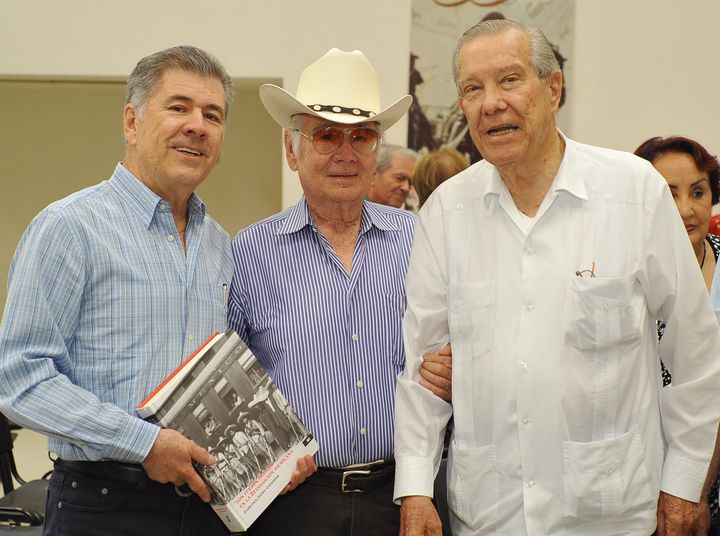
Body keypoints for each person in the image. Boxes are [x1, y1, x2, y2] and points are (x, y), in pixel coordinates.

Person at [393, 19, 720, 536]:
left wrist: (683, 484)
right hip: (488, 514)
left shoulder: (633, 193)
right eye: (473, 89)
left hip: (610, 514)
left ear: (553, 88)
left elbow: (695, 353)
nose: (491, 103)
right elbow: (423, 371)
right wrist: (415, 489)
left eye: (510, 79)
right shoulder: (446, 213)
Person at [0, 45, 312, 536]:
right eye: (178, 107)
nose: (197, 126)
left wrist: (275, 457)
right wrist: (143, 443)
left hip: (207, 507)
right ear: (132, 122)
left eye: (213, 115)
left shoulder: (220, 245)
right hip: (104, 505)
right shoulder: (70, 228)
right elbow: (20, 379)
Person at [227, 47, 447, 535]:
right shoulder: (248, 253)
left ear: (376, 150)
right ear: (291, 151)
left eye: (361, 136)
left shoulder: (420, 241)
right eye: (326, 135)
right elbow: (227, 382)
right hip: (292, 506)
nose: (346, 153)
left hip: (405, 498)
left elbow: (455, 346)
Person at [635, 135, 720, 532]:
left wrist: (697, 490)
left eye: (697, 193)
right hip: (644, 470)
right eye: (667, 195)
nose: (686, 210)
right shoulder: (628, 271)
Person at [368, 143, 419, 208]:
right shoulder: (355, 210)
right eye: (399, 178)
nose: (406, 188)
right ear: (373, 175)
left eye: (410, 183)